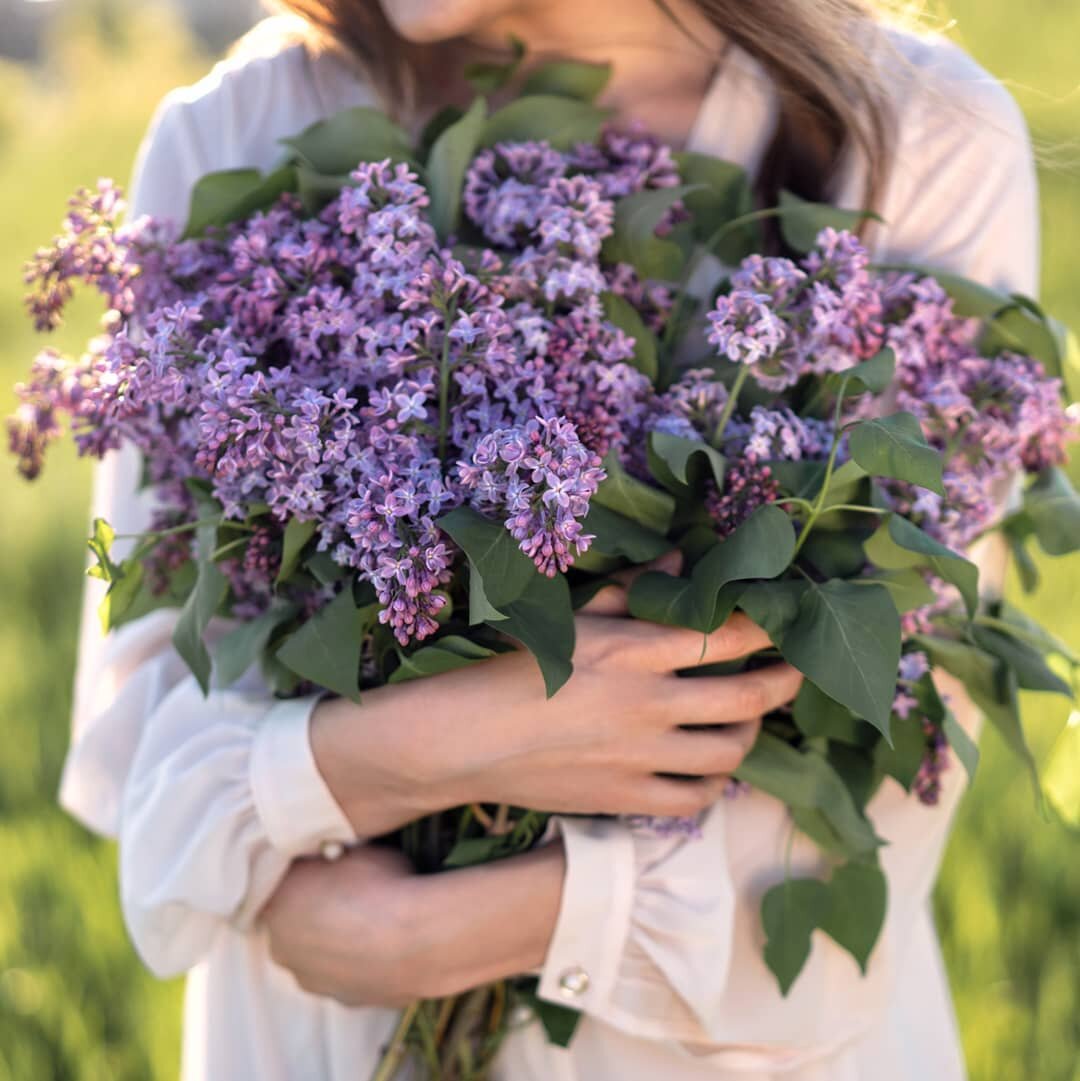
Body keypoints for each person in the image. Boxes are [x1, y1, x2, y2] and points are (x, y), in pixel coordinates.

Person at [59, 0, 1036, 1078]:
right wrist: (442, 741)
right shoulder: (243, 122)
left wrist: (456, 927)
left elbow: (880, 784)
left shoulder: (912, 132)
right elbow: (141, 755)